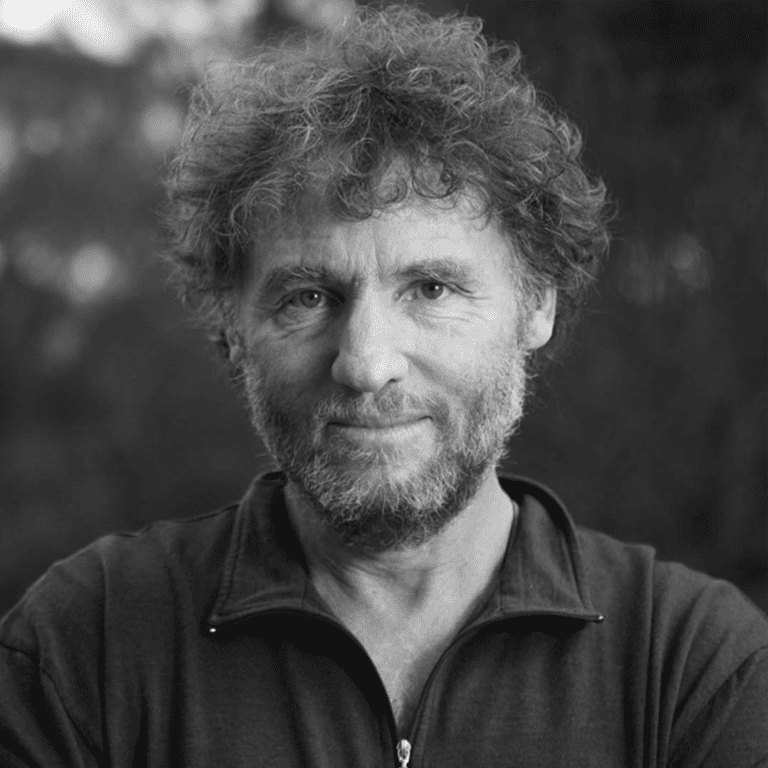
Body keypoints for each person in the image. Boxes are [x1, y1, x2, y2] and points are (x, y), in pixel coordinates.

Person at [1, 5, 766, 767]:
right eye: (308, 297)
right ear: (233, 328)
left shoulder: (693, 667)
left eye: (431, 289)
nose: (365, 364)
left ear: (537, 305)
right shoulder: (82, 646)